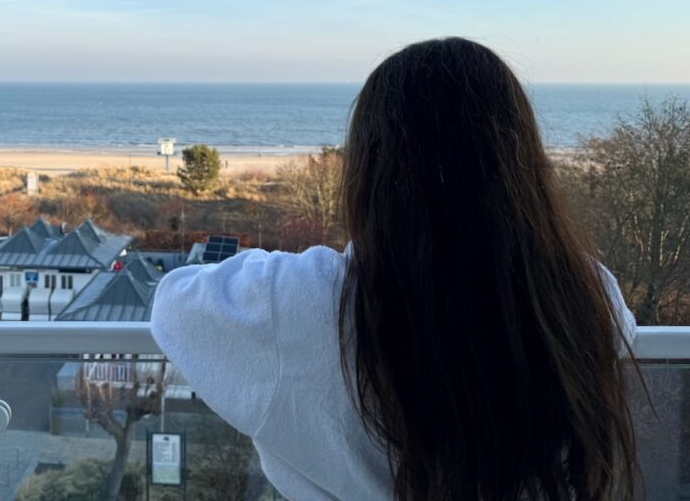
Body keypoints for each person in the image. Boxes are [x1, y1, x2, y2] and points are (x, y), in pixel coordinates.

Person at [151, 38, 638, 501]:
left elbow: (174, 304)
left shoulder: (301, 300)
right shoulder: (583, 293)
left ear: (372, 168)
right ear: (521, 162)